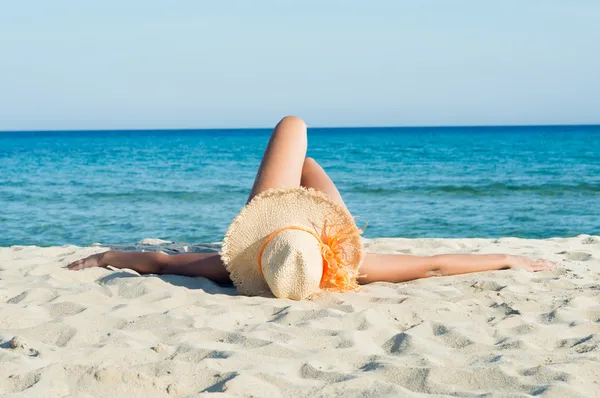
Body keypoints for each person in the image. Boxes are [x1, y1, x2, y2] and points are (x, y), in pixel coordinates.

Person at [67, 116, 557, 294]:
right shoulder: (354, 267)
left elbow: (156, 261)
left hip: (294, 243)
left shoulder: (223, 268)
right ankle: (303, 177)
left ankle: (299, 177)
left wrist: (104, 257)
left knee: (292, 126)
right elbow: (432, 267)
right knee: (300, 142)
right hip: (310, 243)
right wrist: (508, 258)